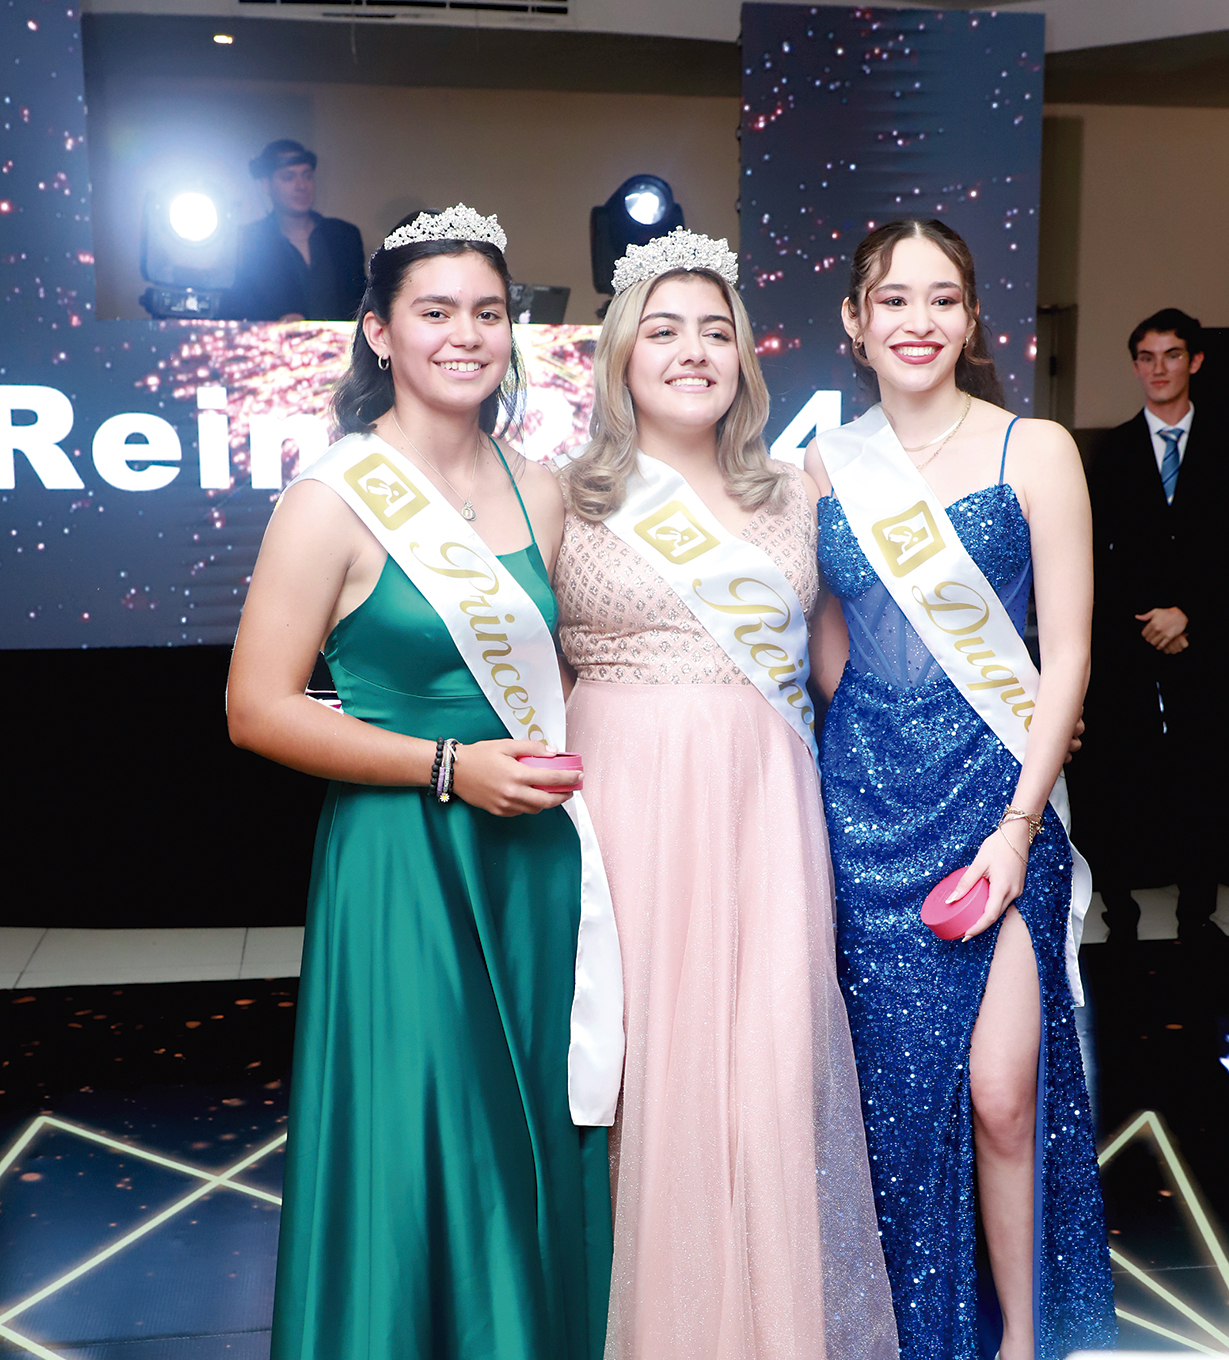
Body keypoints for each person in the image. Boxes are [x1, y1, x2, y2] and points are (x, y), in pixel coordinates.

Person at [226, 206, 616, 1360]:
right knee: (426, 1142)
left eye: (487, 313)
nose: (466, 335)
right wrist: (448, 767)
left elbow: (574, 672)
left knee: (535, 1133)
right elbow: (257, 709)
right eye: (435, 312)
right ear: (379, 332)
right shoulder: (333, 498)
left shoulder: (541, 489)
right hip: (404, 864)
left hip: (533, 864)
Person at [555, 228, 897, 1360]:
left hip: (765, 810)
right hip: (625, 815)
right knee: (648, 1080)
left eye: (716, 331)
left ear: (745, 356)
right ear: (620, 354)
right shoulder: (561, 496)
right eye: (664, 330)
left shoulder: (795, 491)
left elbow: (847, 662)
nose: (693, 351)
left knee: (768, 1079)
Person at [804, 219, 1116, 1360]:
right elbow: (827, 644)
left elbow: (1068, 656)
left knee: (1000, 1092)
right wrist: (875, 750)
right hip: (868, 813)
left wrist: (1020, 823)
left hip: (997, 804)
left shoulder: (1035, 450)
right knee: (895, 1111)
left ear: (972, 317)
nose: (918, 321)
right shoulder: (824, 466)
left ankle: (1022, 1339)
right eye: (893, 299)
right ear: (856, 321)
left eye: (942, 298)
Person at [1075, 308, 1223, 945]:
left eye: (1172, 355)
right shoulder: (1109, 453)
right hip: (1126, 642)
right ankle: (1121, 915)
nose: (1158, 369)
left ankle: (1198, 917)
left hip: (1206, 644)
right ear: (1135, 366)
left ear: (1195, 361)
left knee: (1204, 780)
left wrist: (1190, 614)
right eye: (1146, 357)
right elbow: (1092, 555)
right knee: (1115, 782)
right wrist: (1147, 620)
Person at [225, 139, 366, 322]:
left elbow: (362, 300)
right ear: (266, 185)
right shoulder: (252, 240)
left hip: (343, 339)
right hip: (277, 340)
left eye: (307, 176)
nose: (301, 186)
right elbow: (239, 306)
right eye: (288, 177)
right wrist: (276, 321)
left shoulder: (344, 235)